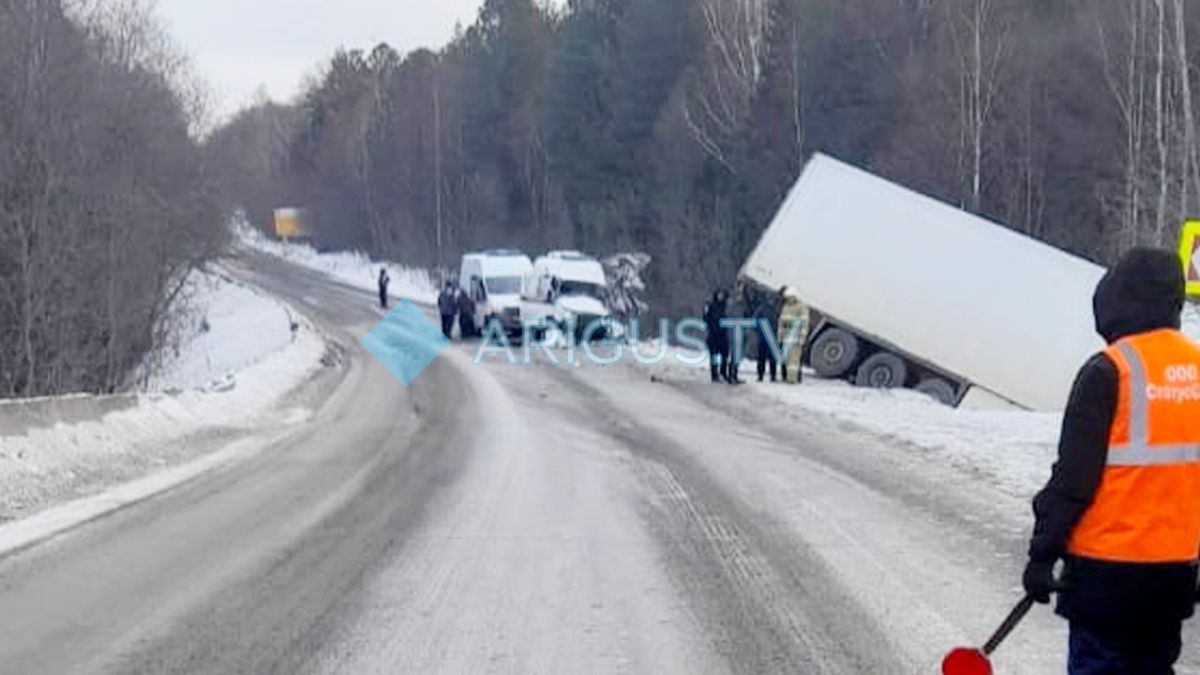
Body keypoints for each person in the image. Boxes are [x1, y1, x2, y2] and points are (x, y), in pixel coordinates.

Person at [1023, 248, 1200, 675]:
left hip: (1105, 577)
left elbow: (1072, 481)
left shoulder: (1108, 371)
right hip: (1173, 575)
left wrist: (1042, 555)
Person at [777, 287, 809, 384]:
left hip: (795, 335)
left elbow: (804, 324)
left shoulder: (801, 307)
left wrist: (801, 338)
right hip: (786, 336)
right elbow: (781, 323)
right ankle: (788, 377)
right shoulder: (785, 306)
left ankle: (792, 379)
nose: (788, 299)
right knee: (787, 359)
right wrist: (780, 337)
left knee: (793, 360)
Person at [754, 290, 780, 383]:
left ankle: (773, 376)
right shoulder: (761, 309)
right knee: (761, 358)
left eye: (772, 299)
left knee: (773, 358)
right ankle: (760, 375)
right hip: (762, 337)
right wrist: (759, 332)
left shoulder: (776, 309)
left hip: (772, 336)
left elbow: (778, 322)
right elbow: (755, 321)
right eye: (769, 298)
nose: (771, 300)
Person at [703, 289, 730, 384]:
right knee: (714, 356)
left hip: (723, 335)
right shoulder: (711, 306)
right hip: (713, 335)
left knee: (725, 355)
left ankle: (723, 372)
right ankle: (714, 374)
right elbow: (705, 319)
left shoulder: (725, 306)